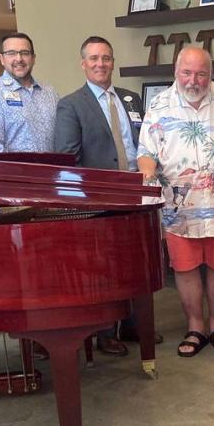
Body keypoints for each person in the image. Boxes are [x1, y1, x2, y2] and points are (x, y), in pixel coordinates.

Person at [137, 46, 214, 357]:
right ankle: (195, 326)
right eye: (187, 72)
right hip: (178, 206)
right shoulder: (159, 104)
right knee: (186, 268)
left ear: (210, 73)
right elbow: (146, 152)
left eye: (201, 73)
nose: (193, 80)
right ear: (175, 72)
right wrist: (147, 177)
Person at [53, 36, 144, 357]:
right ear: (83, 64)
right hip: (100, 200)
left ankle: (135, 325)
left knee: (136, 261)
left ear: (113, 62)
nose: (101, 64)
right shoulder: (71, 104)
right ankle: (106, 332)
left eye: (106, 58)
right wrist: (87, 200)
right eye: (94, 59)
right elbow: (67, 158)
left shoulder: (131, 99)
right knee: (105, 267)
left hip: (137, 194)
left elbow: (145, 143)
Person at [0, 32, 59, 153]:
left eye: (25, 53)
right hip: (14, 172)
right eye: (11, 53)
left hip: (52, 171)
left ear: (33, 58)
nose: (19, 59)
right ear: (1, 59)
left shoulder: (49, 93)